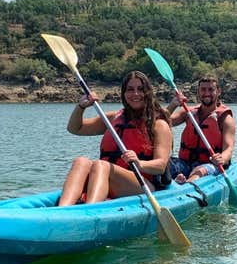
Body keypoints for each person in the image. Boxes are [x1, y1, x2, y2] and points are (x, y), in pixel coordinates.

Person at [58, 70, 173, 206]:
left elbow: (160, 166)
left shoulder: (159, 125)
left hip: (144, 184)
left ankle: (90, 210)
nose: (135, 94)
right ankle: (63, 209)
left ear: (148, 92)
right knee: (81, 161)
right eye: (130, 89)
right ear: (124, 94)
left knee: (101, 165)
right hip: (112, 177)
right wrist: (81, 107)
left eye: (140, 89)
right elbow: (75, 129)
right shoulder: (114, 118)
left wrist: (139, 163)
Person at [167, 75, 236, 184]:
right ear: (198, 92)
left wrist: (222, 158)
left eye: (211, 89)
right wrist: (173, 105)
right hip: (186, 162)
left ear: (218, 91)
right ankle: (174, 183)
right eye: (203, 89)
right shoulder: (188, 112)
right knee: (165, 165)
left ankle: (185, 188)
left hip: (211, 165)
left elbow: (229, 148)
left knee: (199, 171)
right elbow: (161, 122)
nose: (206, 93)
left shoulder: (225, 119)